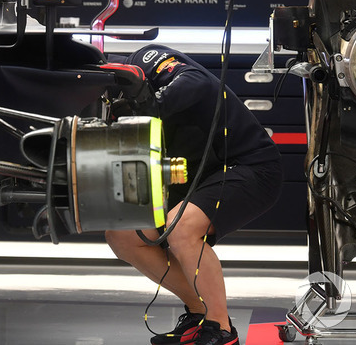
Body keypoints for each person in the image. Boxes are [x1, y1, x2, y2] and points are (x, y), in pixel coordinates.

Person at [104, 45, 283, 345]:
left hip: (249, 166)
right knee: (123, 235)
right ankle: (200, 312)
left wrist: (149, 105)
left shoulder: (143, 61)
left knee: (180, 228)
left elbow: (196, 81)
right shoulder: (98, 98)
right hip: (195, 174)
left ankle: (221, 329)